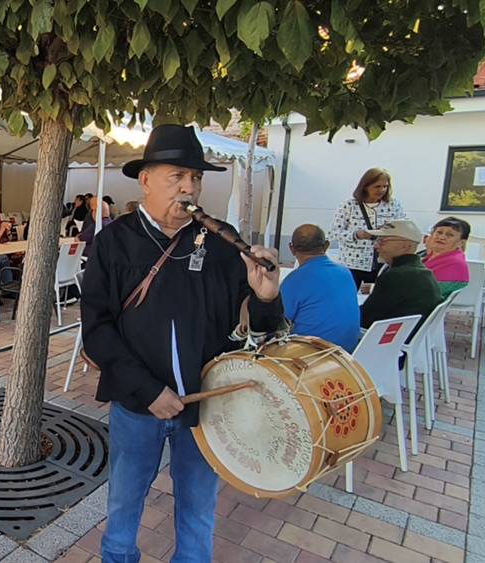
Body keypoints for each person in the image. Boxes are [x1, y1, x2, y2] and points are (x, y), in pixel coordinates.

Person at [82, 124, 284, 562]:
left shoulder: (218, 239)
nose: (189, 187)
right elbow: (96, 330)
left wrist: (267, 297)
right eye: (177, 176)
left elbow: (263, 327)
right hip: (138, 406)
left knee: (197, 511)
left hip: (205, 405)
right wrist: (148, 390)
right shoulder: (113, 243)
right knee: (123, 505)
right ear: (146, 180)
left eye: (195, 177)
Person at [281, 225, 361, 352]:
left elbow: (277, 322)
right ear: (326, 245)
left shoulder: (293, 280)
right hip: (348, 355)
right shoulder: (345, 272)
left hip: (310, 357)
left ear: (291, 248)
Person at [360, 220, 442, 334]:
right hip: (407, 335)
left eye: (382, 241)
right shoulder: (421, 271)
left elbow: (365, 319)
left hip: (387, 339)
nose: (375, 245)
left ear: (405, 246)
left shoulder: (397, 276)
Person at [329, 167, 405, 288]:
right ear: (365, 186)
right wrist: (356, 234)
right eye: (377, 186)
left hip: (382, 261)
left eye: (385, 186)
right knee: (349, 296)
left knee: (378, 298)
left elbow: (403, 228)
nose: (382, 190)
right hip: (352, 263)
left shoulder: (394, 205)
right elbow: (334, 233)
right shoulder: (348, 205)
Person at [423, 217, 472, 298]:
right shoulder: (429, 256)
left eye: (450, 235)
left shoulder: (455, 263)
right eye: (439, 232)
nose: (442, 237)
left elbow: (424, 292)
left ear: (461, 243)